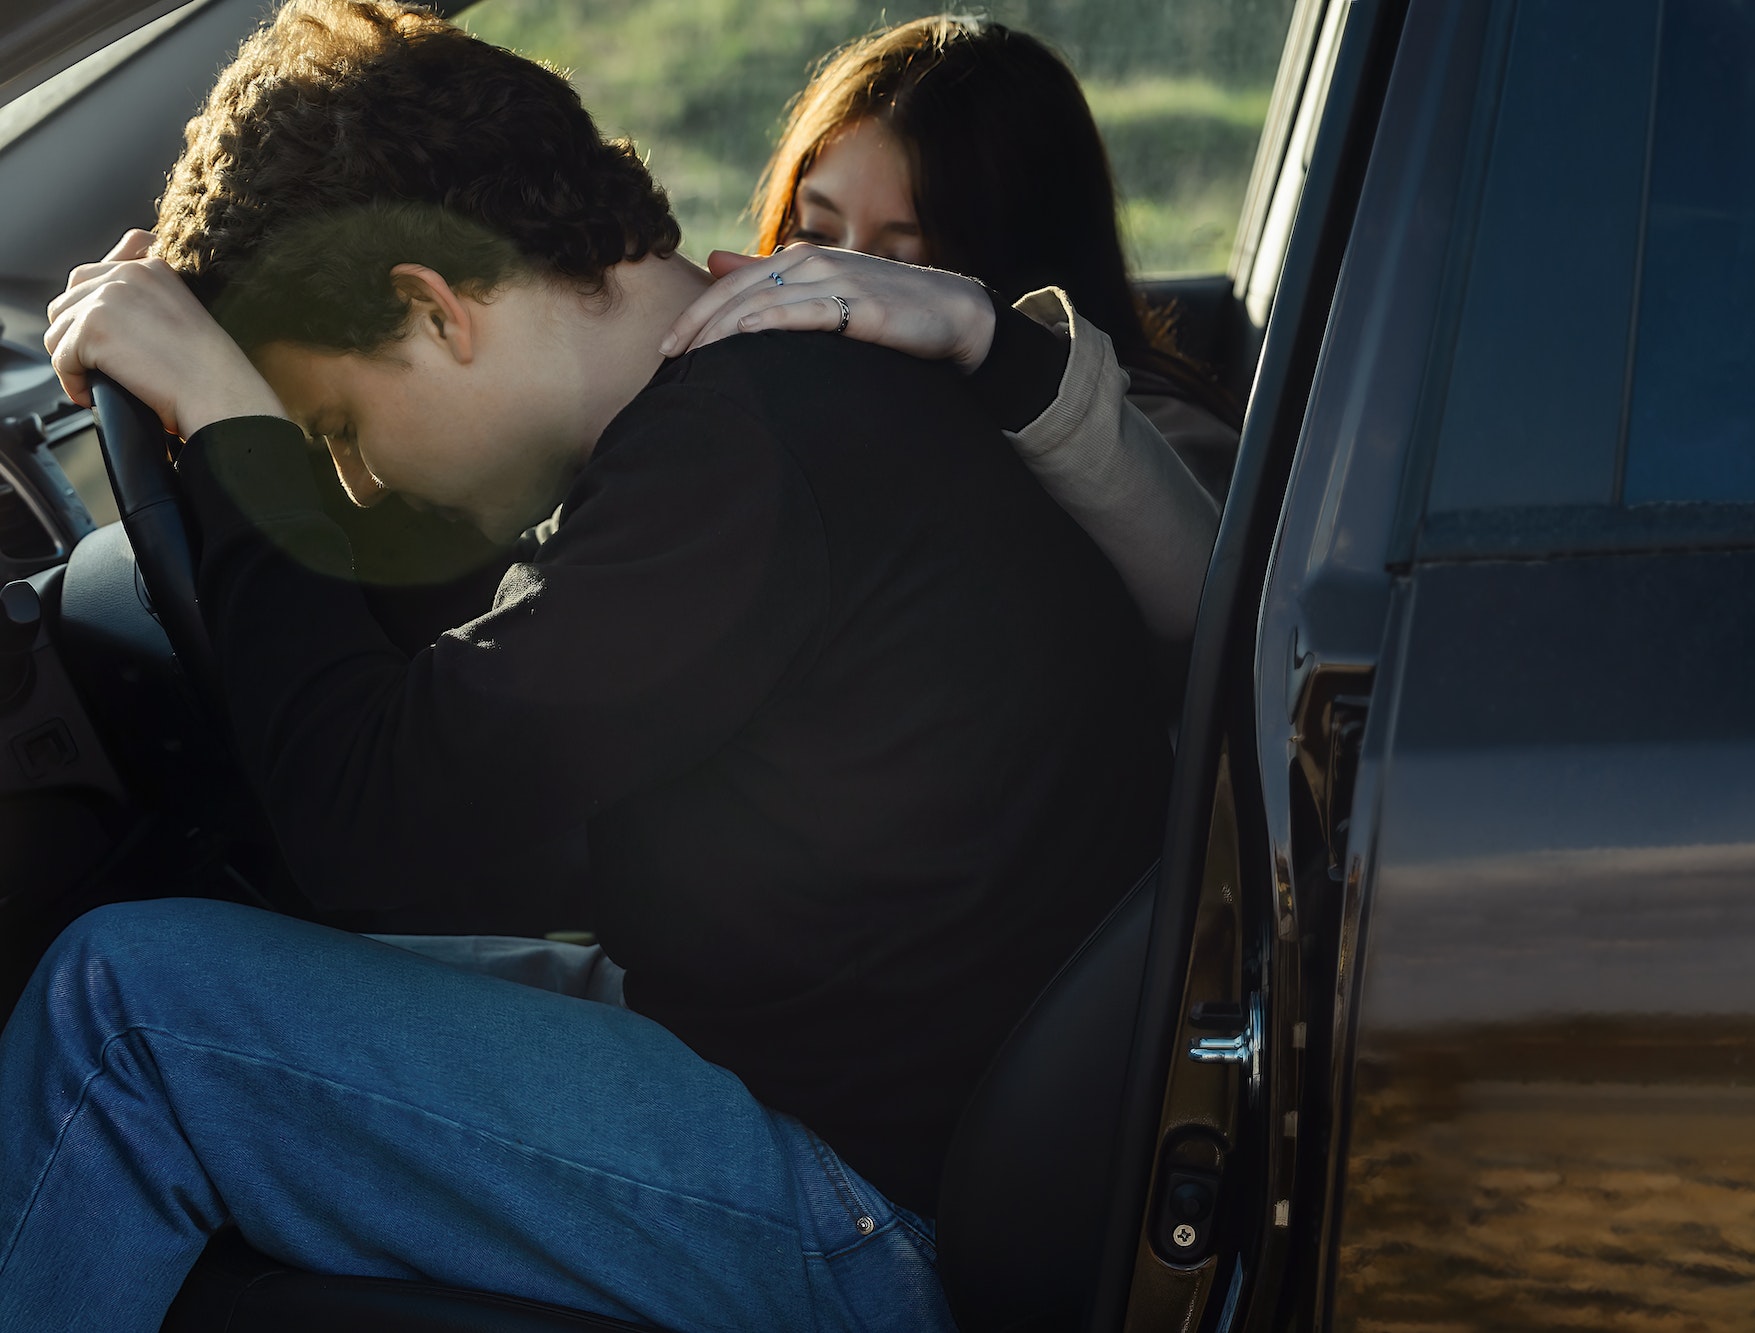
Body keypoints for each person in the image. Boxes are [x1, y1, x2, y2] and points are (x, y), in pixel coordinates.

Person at [1, 2, 1170, 1329]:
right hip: (816, 1071)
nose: (357, 474)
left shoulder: (738, 457)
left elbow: (367, 822)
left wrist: (228, 421)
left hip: (869, 1207)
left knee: (128, 1019)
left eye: (334, 426)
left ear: (432, 311)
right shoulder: (763, 404)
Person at [726, 15, 1239, 643]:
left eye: (902, 263)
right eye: (817, 234)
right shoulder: (755, 395)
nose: (838, 279)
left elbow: (1218, 613)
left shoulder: (1149, 442)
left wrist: (994, 339)